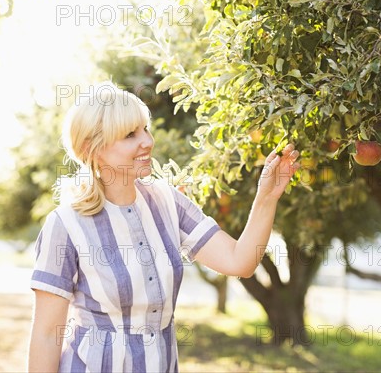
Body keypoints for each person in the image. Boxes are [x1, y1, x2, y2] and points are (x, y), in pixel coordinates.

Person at [27, 82, 300, 373]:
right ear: (92, 149)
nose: (147, 141)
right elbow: (46, 336)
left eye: (145, 129)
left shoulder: (167, 201)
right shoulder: (65, 225)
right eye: (130, 135)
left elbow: (239, 261)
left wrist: (267, 196)